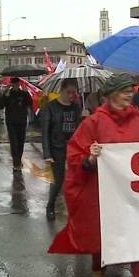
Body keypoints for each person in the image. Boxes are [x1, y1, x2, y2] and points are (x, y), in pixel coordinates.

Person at [48, 73, 139, 277]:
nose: (130, 94)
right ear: (111, 95)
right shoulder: (93, 122)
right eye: (124, 91)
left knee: (138, 237)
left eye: (131, 91)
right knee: (100, 233)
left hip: (133, 193)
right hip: (102, 191)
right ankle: (97, 267)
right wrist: (90, 159)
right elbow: (76, 156)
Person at [42, 78, 82, 221]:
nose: (71, 95)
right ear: (62, 91)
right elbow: (45, 131)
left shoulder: (76, 107)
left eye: (74, 92)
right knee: (58, 180)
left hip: (73, 148)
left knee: (76, 179)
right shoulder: (51, 107)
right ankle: (50, 205)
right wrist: (47, 153)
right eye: (68, 92)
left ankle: (75, 209)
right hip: (56, 148)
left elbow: (79, 128)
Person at [0, 77, 33, 171]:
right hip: (11, 122)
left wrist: (27, 93)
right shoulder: (8, 94)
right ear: (11, 84)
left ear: (19, 84)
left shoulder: (23, 93)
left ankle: (18, 160)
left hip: (22, 121)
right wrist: (4, 95)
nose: (15, 86)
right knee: (13, 143)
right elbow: (0, 105)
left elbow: (29, 103)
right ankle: (16, 163)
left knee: (20, 143)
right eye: (13, 84)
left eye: (17, 84)